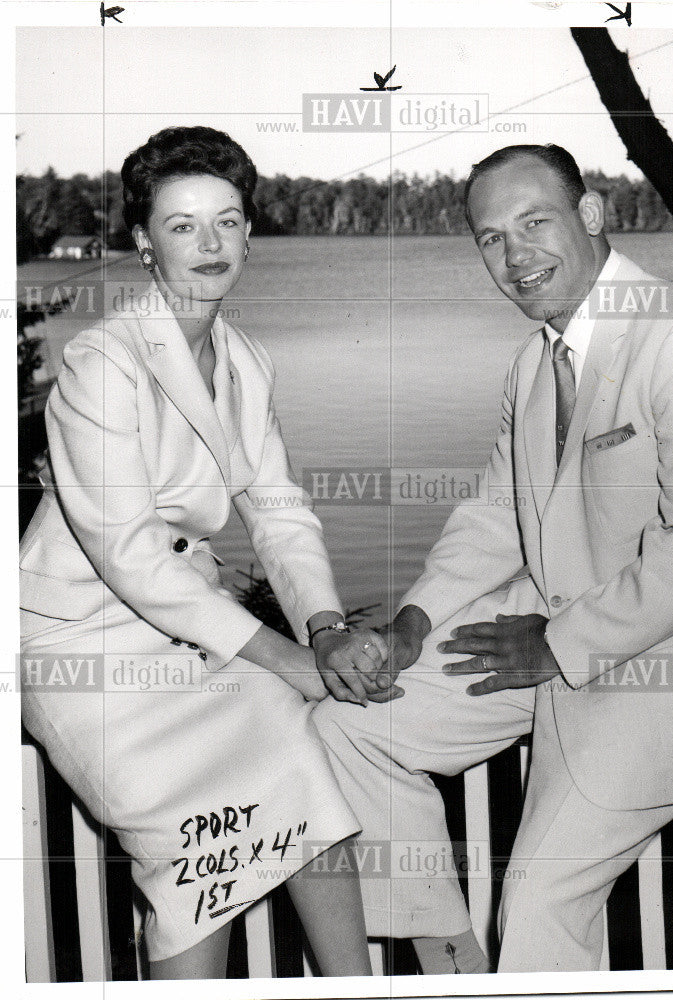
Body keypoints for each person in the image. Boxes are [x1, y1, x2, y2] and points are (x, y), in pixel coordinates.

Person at [312, 144, 673, 973]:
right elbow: (494, 513)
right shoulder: (534, 364)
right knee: (350, 727)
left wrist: (552, 645)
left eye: (534, 223)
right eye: (491, 238)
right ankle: (450, 964)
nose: (514, 254)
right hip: (552, 642)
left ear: (590, 216)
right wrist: (416, 621)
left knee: (537, 906)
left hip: (669, 668)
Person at [19, 125, 396, 979]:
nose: (210, 244)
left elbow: (278, 511)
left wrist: (328, 629)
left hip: (184, 635)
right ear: (143, 242)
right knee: (193, 867)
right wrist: (283, 656)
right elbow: (129, 555)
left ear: (250, 233)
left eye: (227, 221)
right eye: (183, 225)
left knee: (306, 777)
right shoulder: (100, 362)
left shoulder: (246, 360)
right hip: (85, 646)